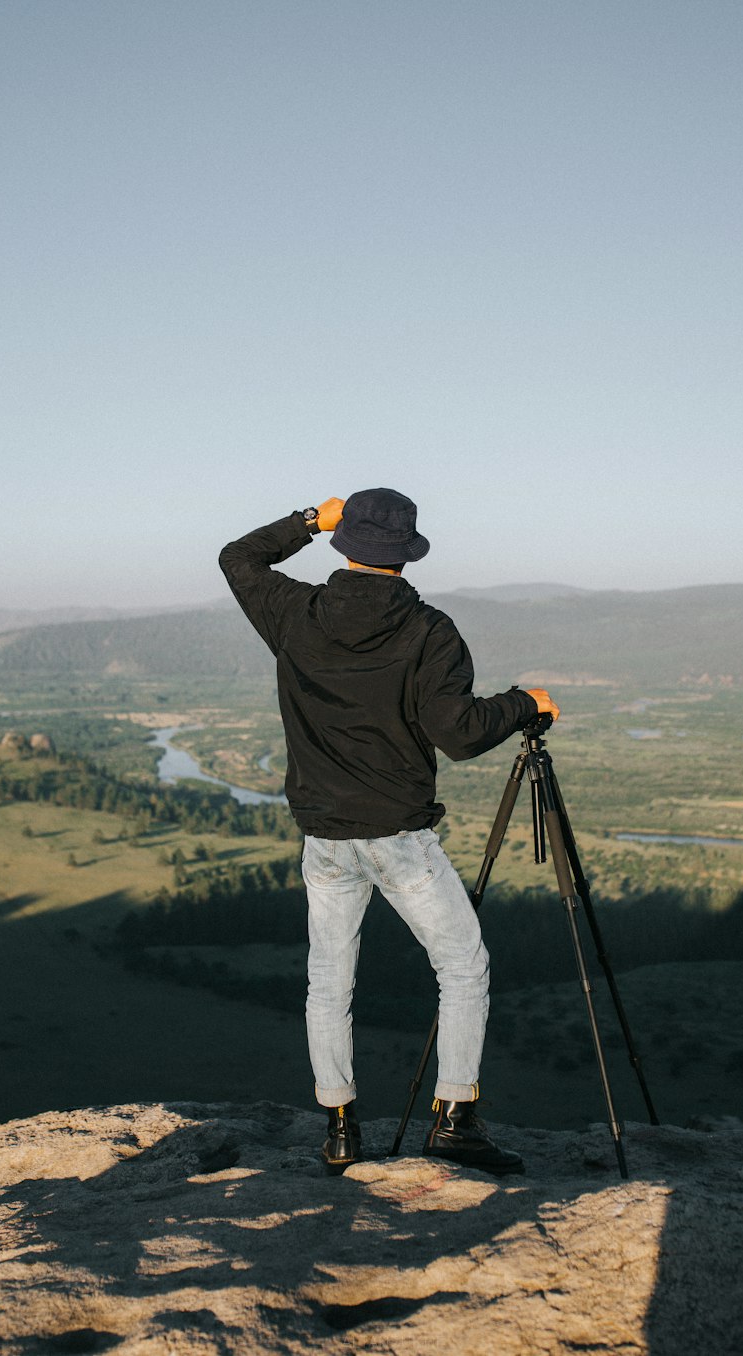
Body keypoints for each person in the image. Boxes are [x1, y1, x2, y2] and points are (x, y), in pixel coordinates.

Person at [219, 488, 559, 1174]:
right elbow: (458, 734)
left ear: (346, 542)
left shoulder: (296, 614)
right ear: (405, 554)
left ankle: (340, 1130)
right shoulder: (430, 630)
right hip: (399, 838)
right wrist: (528, 702)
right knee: (463, 965)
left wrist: (310, 520)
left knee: (329, 978)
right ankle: (456, 1120)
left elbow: (237, 558)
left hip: (324, 836)